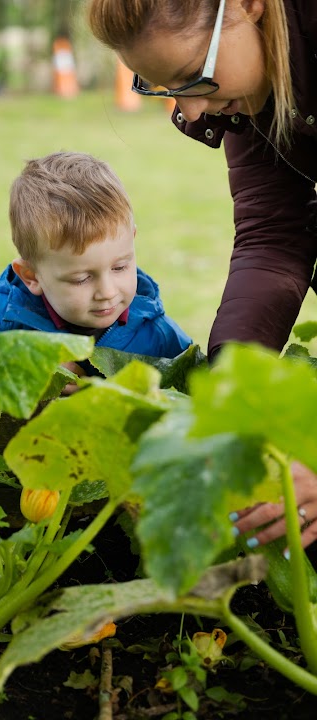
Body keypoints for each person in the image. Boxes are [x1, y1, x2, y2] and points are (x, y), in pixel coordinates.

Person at [87, 0, 317, 552]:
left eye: (194, 77)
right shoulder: (255, 90)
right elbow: (273, 240)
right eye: (160, 86)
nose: (190, 112)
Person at [0, 151, 192, 393]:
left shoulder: (161, 339)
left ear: (132, 240)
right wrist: (22, 369)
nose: (107, 292)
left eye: (120, 267)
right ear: (31, 276)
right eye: (82, 279)